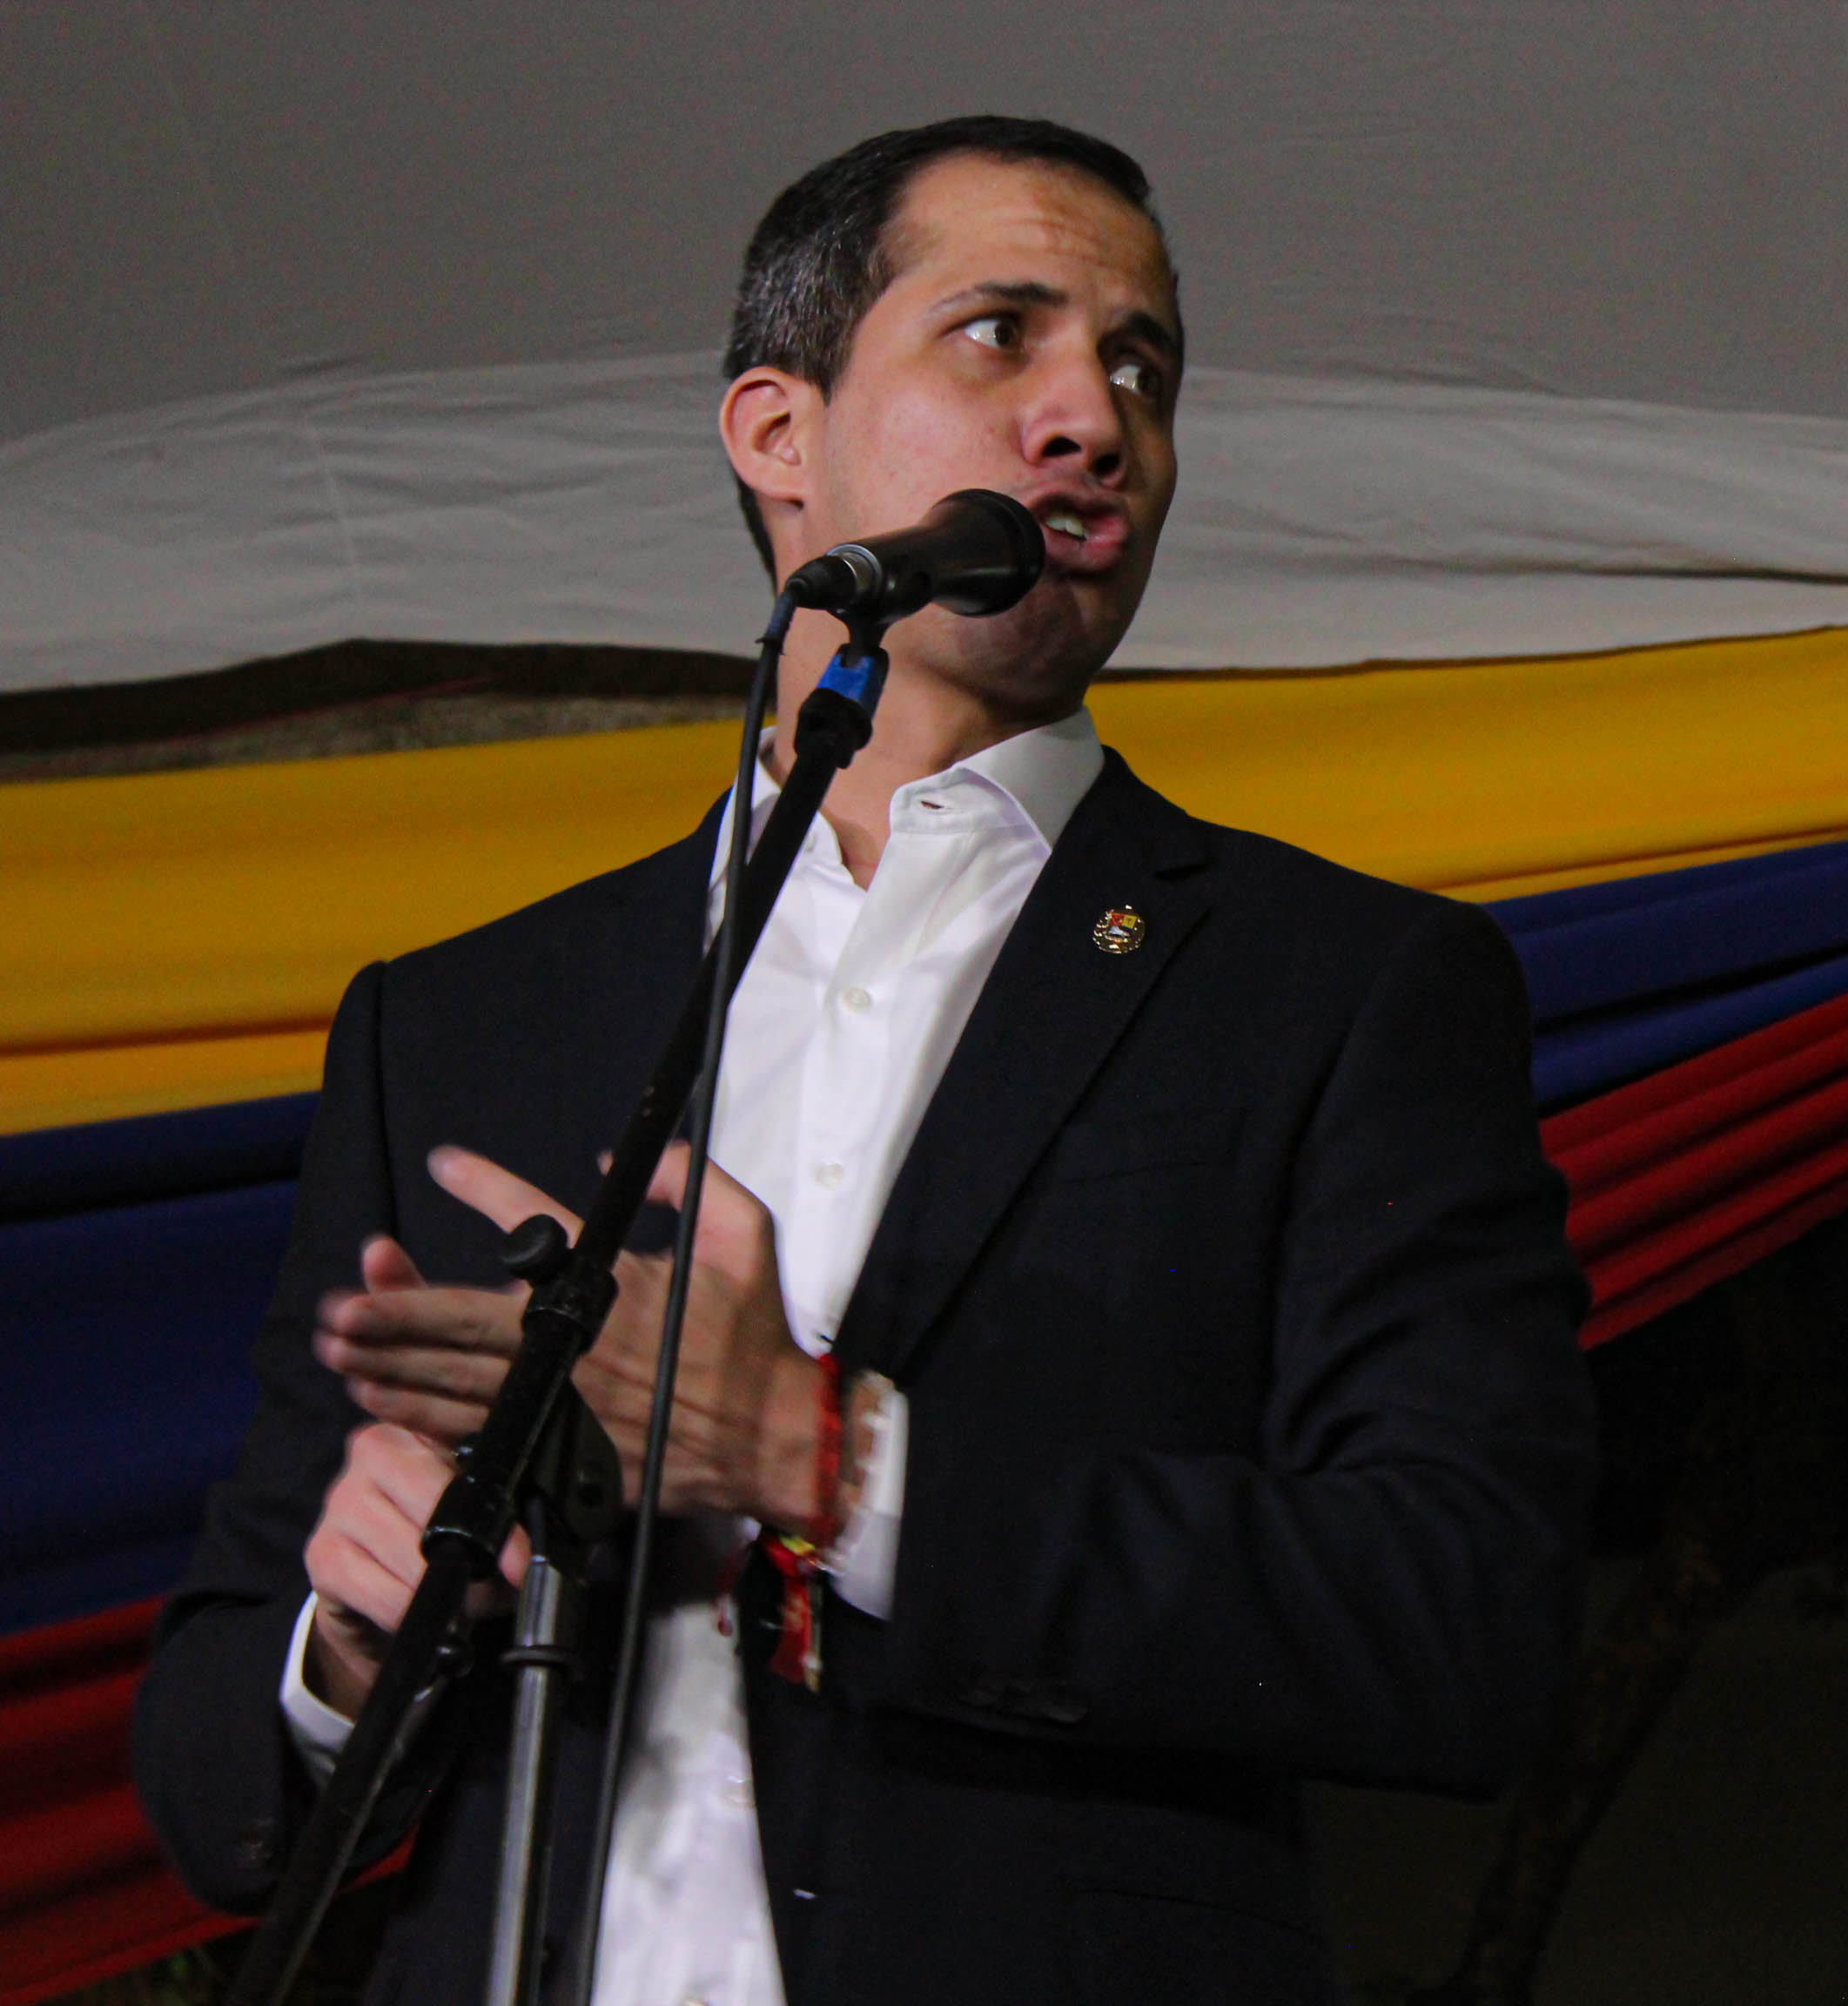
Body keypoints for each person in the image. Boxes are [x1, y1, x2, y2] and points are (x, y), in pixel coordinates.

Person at [133, 116, 1596, 2006]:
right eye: (1001, 335)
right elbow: (211, 1788)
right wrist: (352, 1637)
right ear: (779, 434)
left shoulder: (1339, 988)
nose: (1094, 420)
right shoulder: (460, 1025)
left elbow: (1464, 1624)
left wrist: (837, 1462)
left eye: (1142, 368)